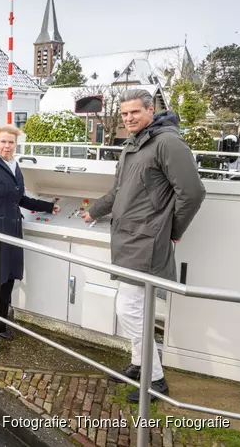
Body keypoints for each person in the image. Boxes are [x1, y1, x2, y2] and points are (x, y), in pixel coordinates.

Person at [81, 89, 205, 403]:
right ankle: (139, 363)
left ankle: (156, 380)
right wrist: (93, 211)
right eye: (124, 114)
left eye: (135, 112)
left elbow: (192, 192)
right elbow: (118, 191)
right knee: (137, 308)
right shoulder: (133, 146)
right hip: (127, 239)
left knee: (128, 309)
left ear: (150, 110)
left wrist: (173, 230)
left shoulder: (167, 143)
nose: (128, 118)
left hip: (146, 242)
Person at [0, 125, 60, 357]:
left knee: (8, 281)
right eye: (3, 142)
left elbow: (19, 198)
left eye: (11, 142)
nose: (7, 146)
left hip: (13, 232)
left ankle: (0, 326)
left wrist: (48, 207)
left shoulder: (15, 166)